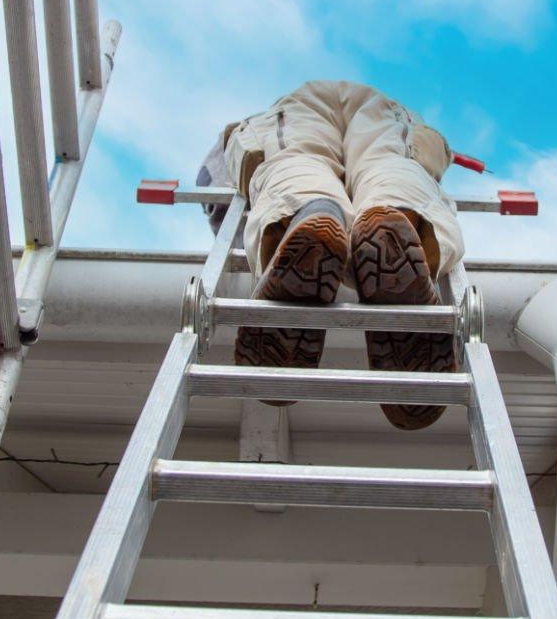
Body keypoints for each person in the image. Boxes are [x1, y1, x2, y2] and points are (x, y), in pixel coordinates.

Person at [197, 81, 463, 429]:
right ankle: (400, 221)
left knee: (292, 159)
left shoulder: (298, 101)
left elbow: (212, 182)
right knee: (394, 164)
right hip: (379, 106)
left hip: (300, 105)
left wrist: (225, 224)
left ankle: (307, 217)